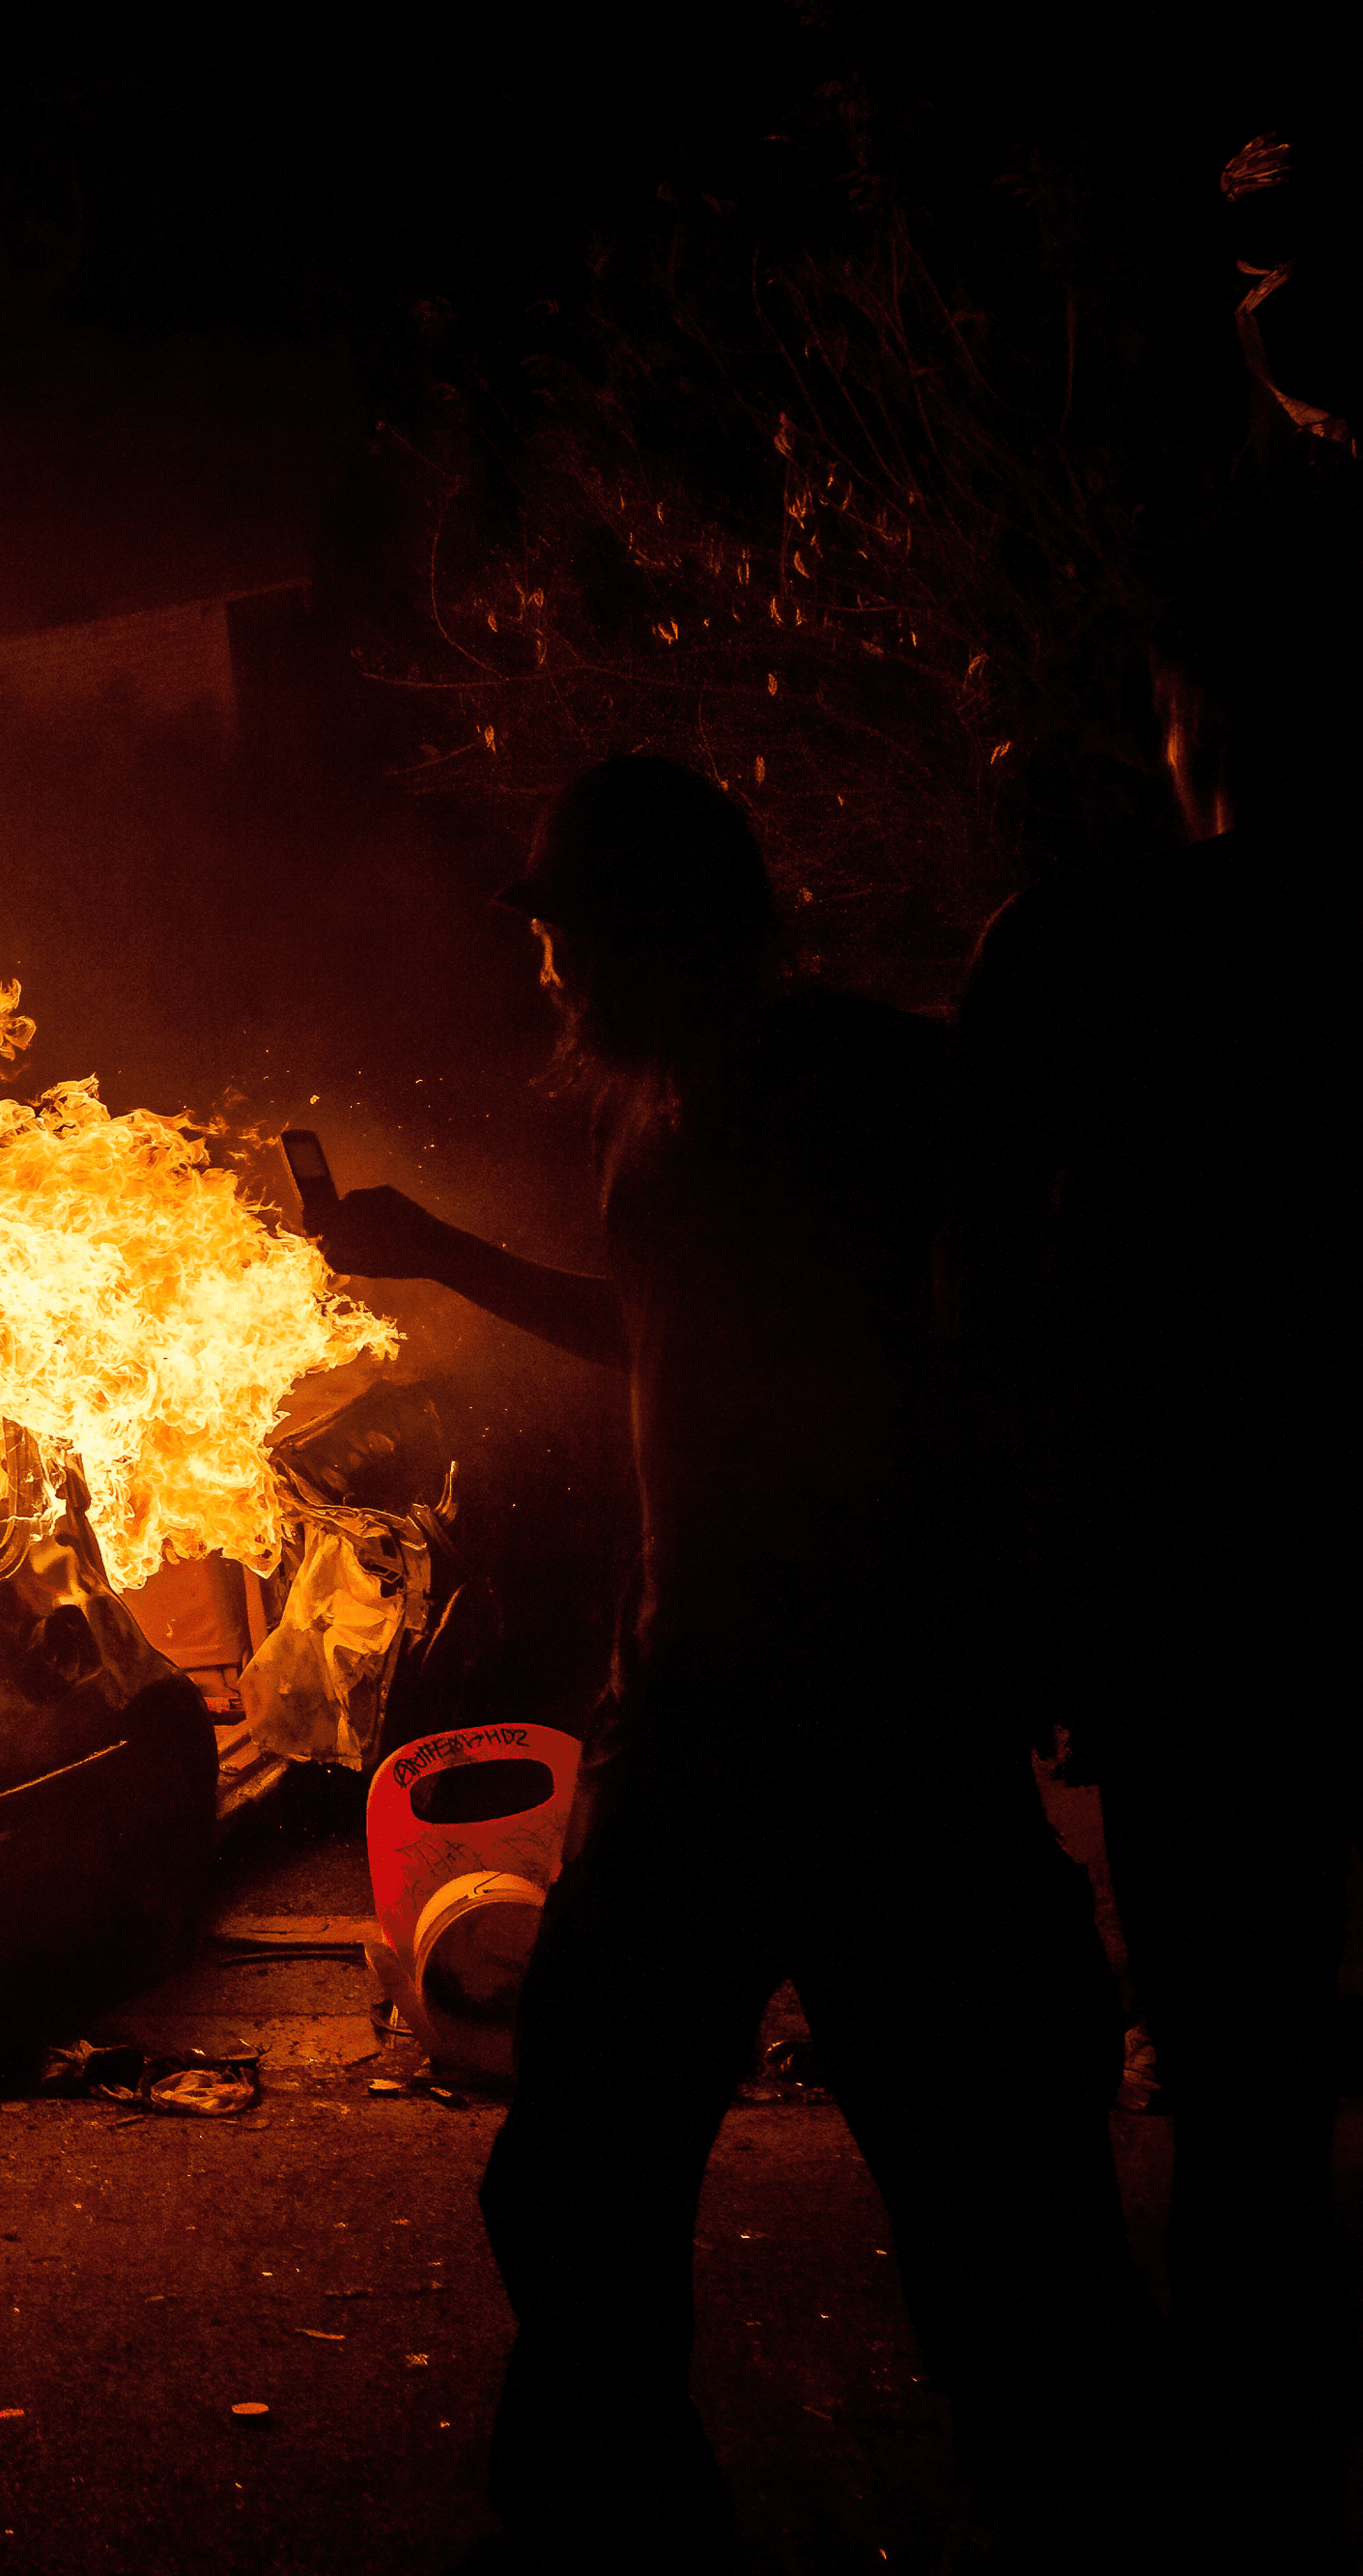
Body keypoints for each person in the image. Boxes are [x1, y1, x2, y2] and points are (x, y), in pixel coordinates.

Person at [312, 758, 1149, 2572]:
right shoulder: (655, 1111)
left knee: (986, 2172)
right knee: (586, 2167)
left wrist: (1032, 1605)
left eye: (569, 937)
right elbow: (660, 1336)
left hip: (848, 1713)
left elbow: (1010, 1342)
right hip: (702, 1711)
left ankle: (1077, 2500)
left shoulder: (857, 1081)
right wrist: (435, 1257)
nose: (551, 976)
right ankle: (620, 2511)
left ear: (651, 931)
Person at [959, 502, 1352, 2562]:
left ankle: (1249, 2484)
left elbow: (966, 1293)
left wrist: (1023, 1583)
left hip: (1200, 1601)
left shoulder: (1080, 955)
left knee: (1240, 2082)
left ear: (1188, 714)